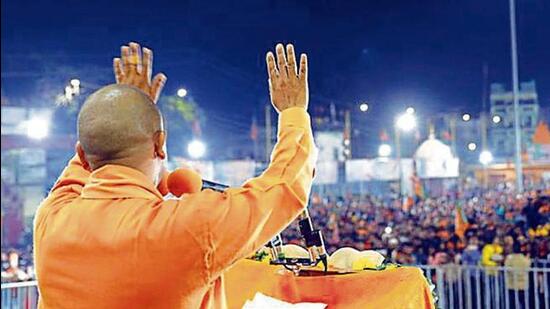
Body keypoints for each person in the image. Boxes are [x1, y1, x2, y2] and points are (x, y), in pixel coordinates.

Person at [34, 42, 317, 308]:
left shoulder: (51, 217)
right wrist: (293, 112)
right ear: (159, 144)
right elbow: (285, 186)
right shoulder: (188, 227)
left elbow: (87, 158)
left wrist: (129, 107)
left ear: (82, 155)